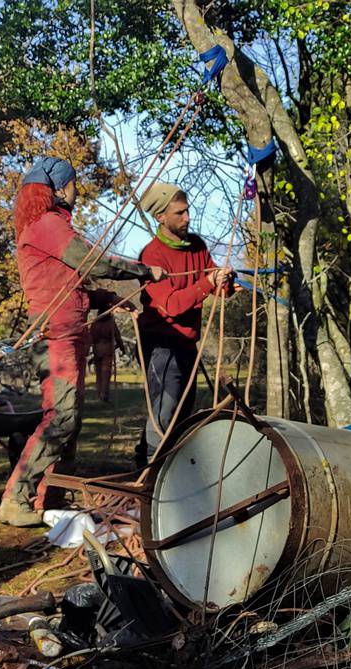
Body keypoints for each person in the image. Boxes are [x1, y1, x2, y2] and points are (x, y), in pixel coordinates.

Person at [1, 157, 165, 527]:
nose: (78, 191)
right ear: (58, 189)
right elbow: (92, 262)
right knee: (61, 417)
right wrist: (144, 271)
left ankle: (48, 497)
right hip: (56, 338)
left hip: (68, 334)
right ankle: (16, 498)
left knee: (69, 420)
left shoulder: (50, 227)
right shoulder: (47, 225)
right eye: (74, 184)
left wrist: (105, 300)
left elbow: (64, 287)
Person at [134, 181, 233, 469]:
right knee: (164, 414)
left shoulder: (197, 245)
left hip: (187, 343)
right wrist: (207, 283)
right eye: (179, 213)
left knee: (181, 413)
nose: (187, 218)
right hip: (161, 344)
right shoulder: (150, 256)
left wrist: (224, 282)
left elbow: (211, 278)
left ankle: (150, 469)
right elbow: (172, 305)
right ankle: (150, 478)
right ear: (160, 217)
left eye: (187, 211)